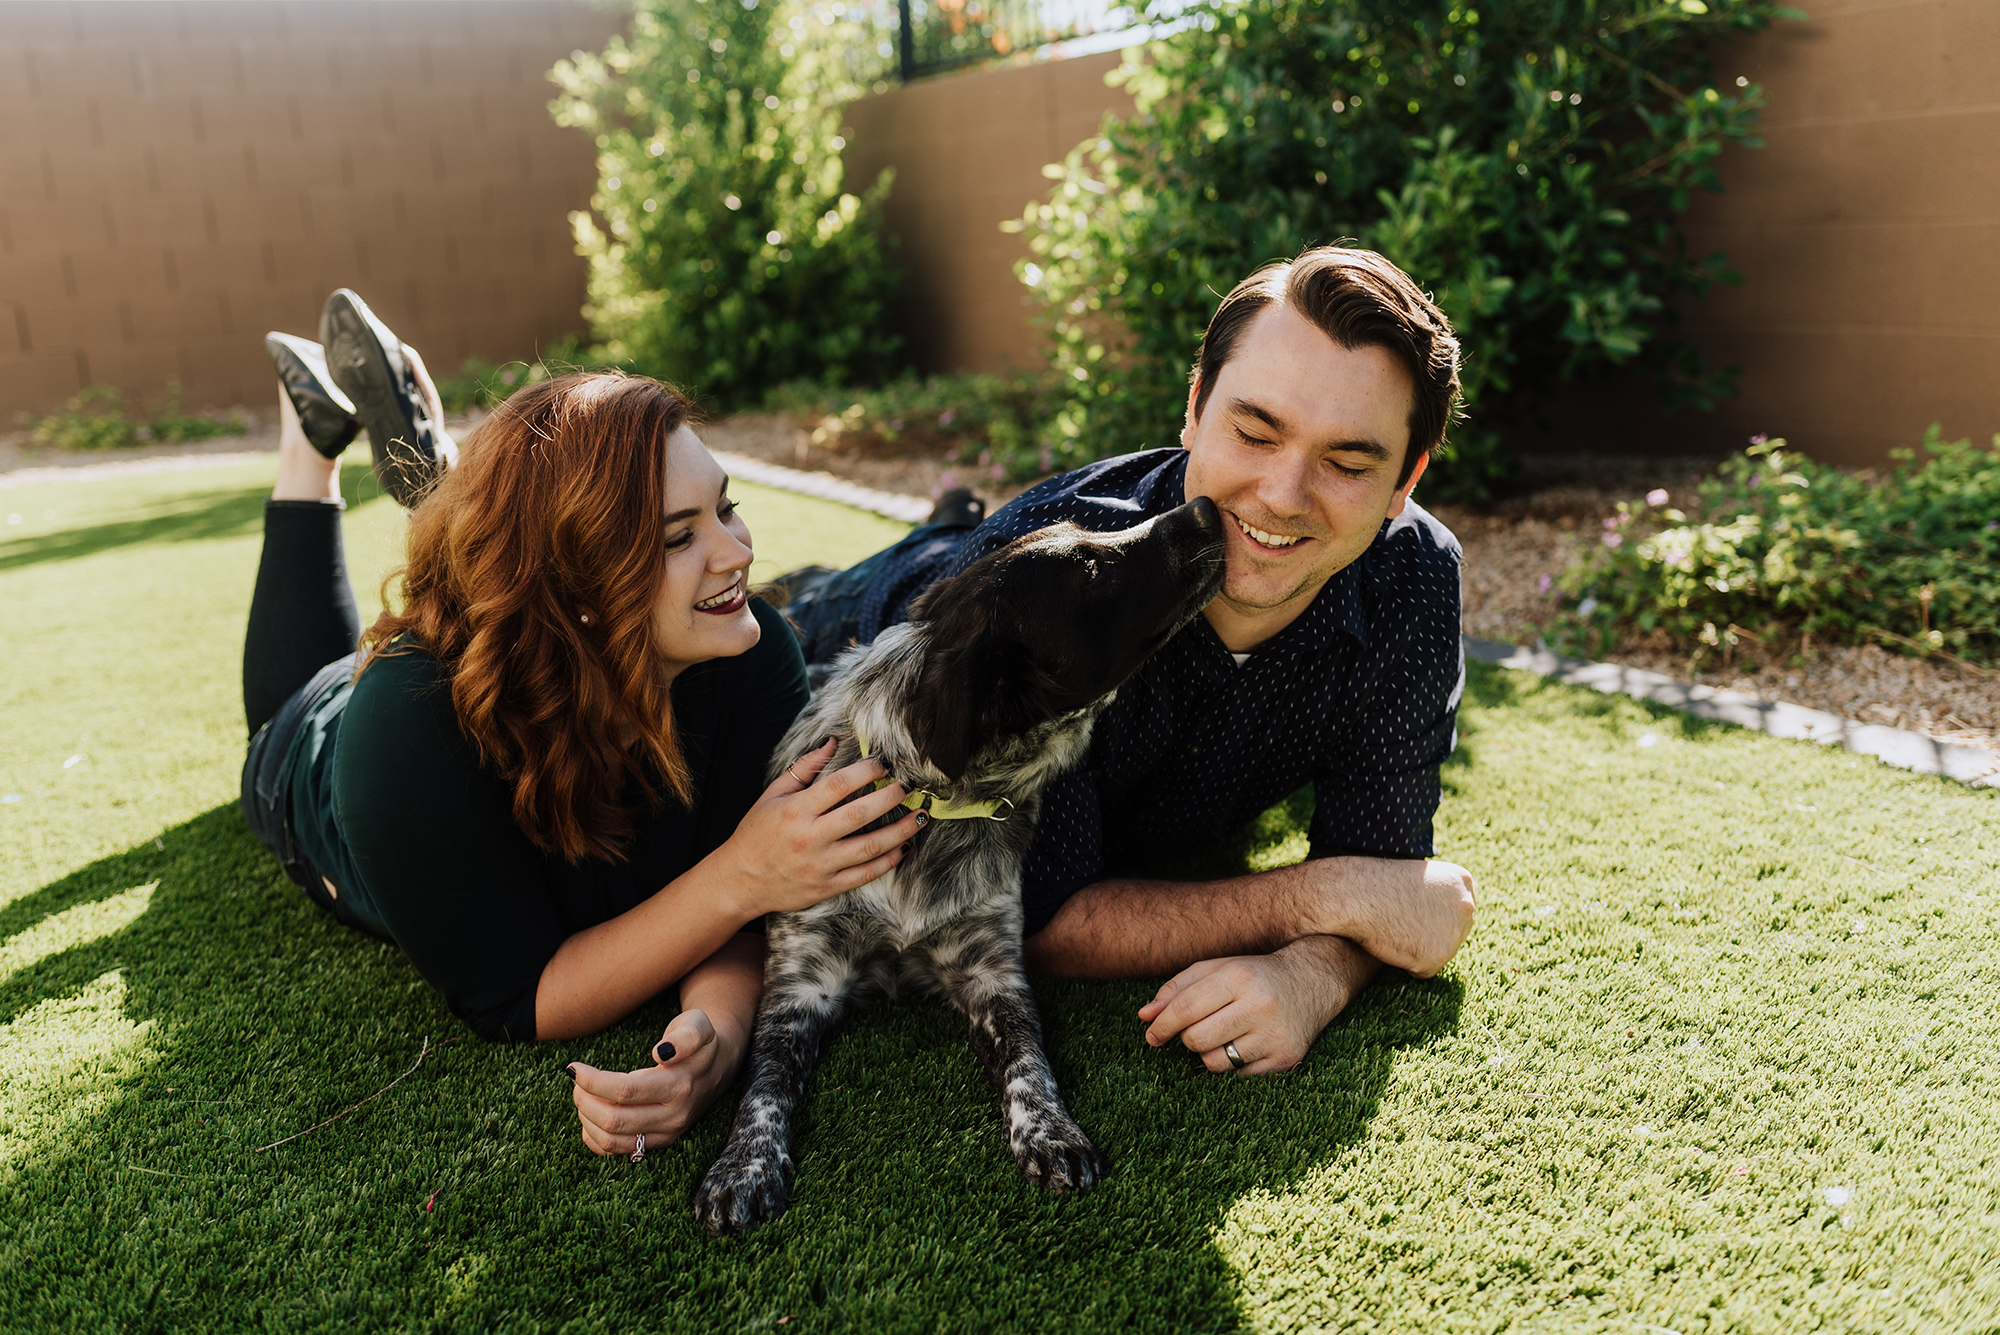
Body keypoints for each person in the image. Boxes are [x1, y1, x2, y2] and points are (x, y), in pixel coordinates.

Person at [241, 290, 925, 1160]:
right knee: (282, 712)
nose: (738, 551)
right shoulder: (406, 731)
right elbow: (520, 990)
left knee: (490, 557)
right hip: (322, 754)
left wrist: (708, 1044)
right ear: (579, 593)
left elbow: (759, 902)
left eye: (726, 505)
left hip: (527, 636)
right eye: (678, 538)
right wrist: (740, 875)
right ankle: (309, 447)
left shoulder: (747, 651)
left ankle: (451, 493)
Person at [782, 246, 1480, 1077]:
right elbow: (1041, 914)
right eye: (1254, 431)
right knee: (796, 615)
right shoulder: (1043, 594)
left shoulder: (1414, 577)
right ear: (1194, 409)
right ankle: (933, 530)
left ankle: (944, 516)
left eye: (1348, 462)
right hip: (878, 616)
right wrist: (1318, 898)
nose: (1285, 495)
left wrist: (1312, 973)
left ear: (1407, 477)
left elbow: (1390, 883)